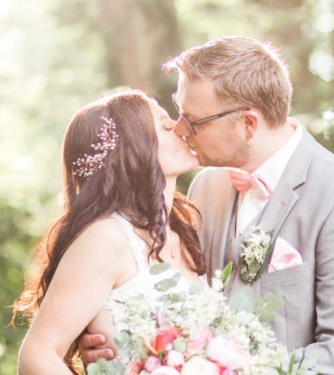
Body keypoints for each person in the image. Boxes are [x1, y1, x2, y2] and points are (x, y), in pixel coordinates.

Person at [80, 36, 334, 374]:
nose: (181, 129)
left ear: (248, 124)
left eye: (194, 120)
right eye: (179, 112)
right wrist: (127, 346)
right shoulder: (206, 187)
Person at [13, 89, 205, 373]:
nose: (180, 128)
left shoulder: (187, 229)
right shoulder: (107, 238)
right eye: (165, 126)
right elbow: (37, 355)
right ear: (133, 153)